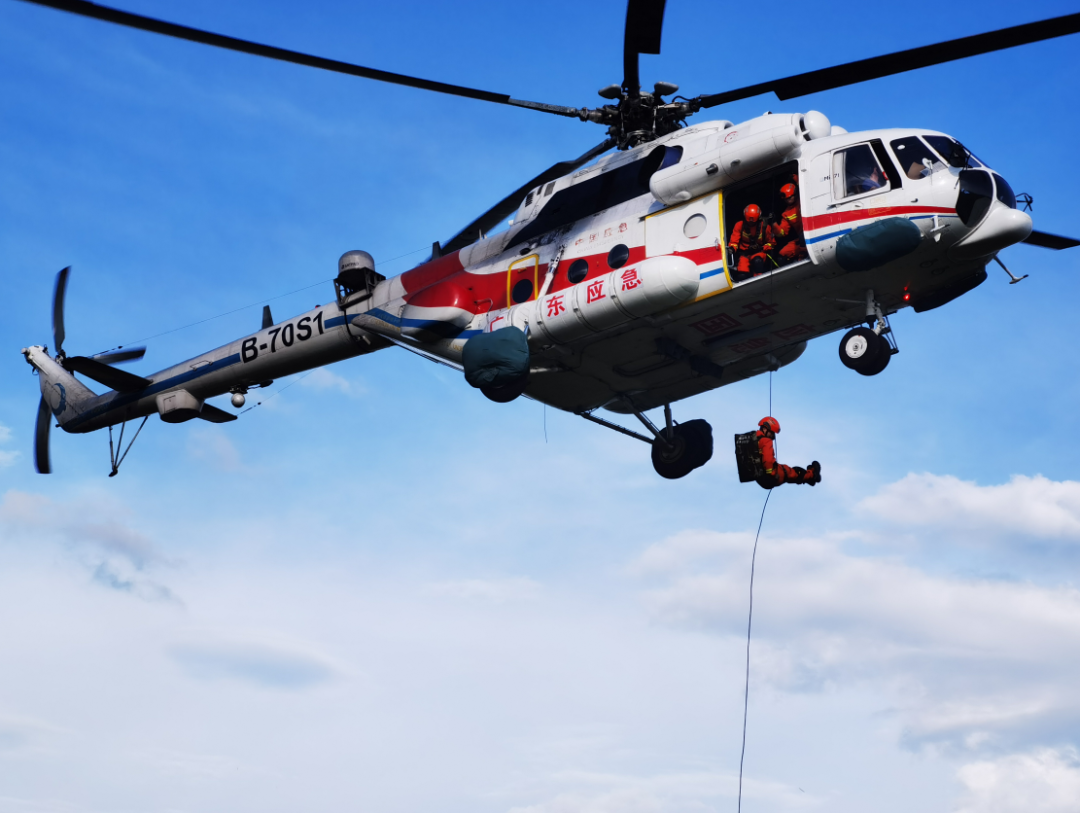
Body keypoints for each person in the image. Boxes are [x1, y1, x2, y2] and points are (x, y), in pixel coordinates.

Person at [755, 416, 820, 488]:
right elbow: (768, 460)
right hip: (769, 476)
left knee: (789, 472)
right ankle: (812, 475)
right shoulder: (765, 441)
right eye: (772, 433)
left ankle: (808, 477)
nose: (773, 436)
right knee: (791, 472)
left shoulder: (753, 440)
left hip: (759, 478)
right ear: (764, 429)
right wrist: (772, 474)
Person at [728, 204, 775, 281]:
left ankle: (759, 281)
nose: (750, 223)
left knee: (757, 262)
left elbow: (772, 243)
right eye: (748, 221)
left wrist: (762, 248)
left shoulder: (765, 227)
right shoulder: (739, 225)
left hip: (759, 252)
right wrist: (732, 248)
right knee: (742, 275)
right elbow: (734, 241)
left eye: (753, 222)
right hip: (744, 254)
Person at [774, 183, 808, 265]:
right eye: (786, 199)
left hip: (812, 234)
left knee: (803, 235)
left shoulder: (804, 201)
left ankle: (802, 257)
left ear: (795, 194)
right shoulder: (786, 213)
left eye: (789, 198)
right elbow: (782, 233)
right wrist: (774, 223)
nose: (787, 200)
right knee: (782, 255)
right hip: (801, 240)